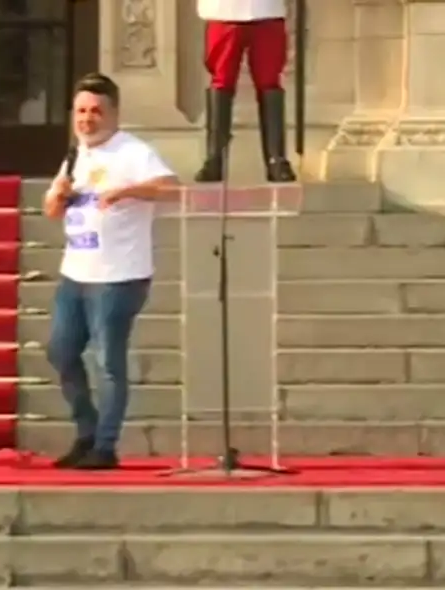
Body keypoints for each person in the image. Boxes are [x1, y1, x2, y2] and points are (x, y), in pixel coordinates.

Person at [43, 73, 179, 470]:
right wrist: (60, 196)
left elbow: (173, 189)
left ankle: (105, 445)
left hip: (118, 276)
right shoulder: (75, 155)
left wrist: (128, 191)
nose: (87, 119)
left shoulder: (133, 152)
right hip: (75, 273)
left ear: (114, 114)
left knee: (108, 361)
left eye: (96, 112)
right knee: (61, 352)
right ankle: (86, 431)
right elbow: (52, 210)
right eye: (81, 111)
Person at [195, 0, 296, 183]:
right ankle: (214, 158)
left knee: (269, 81)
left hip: (267, 10)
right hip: (223, 10)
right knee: (222, 80)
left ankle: (276, 159)